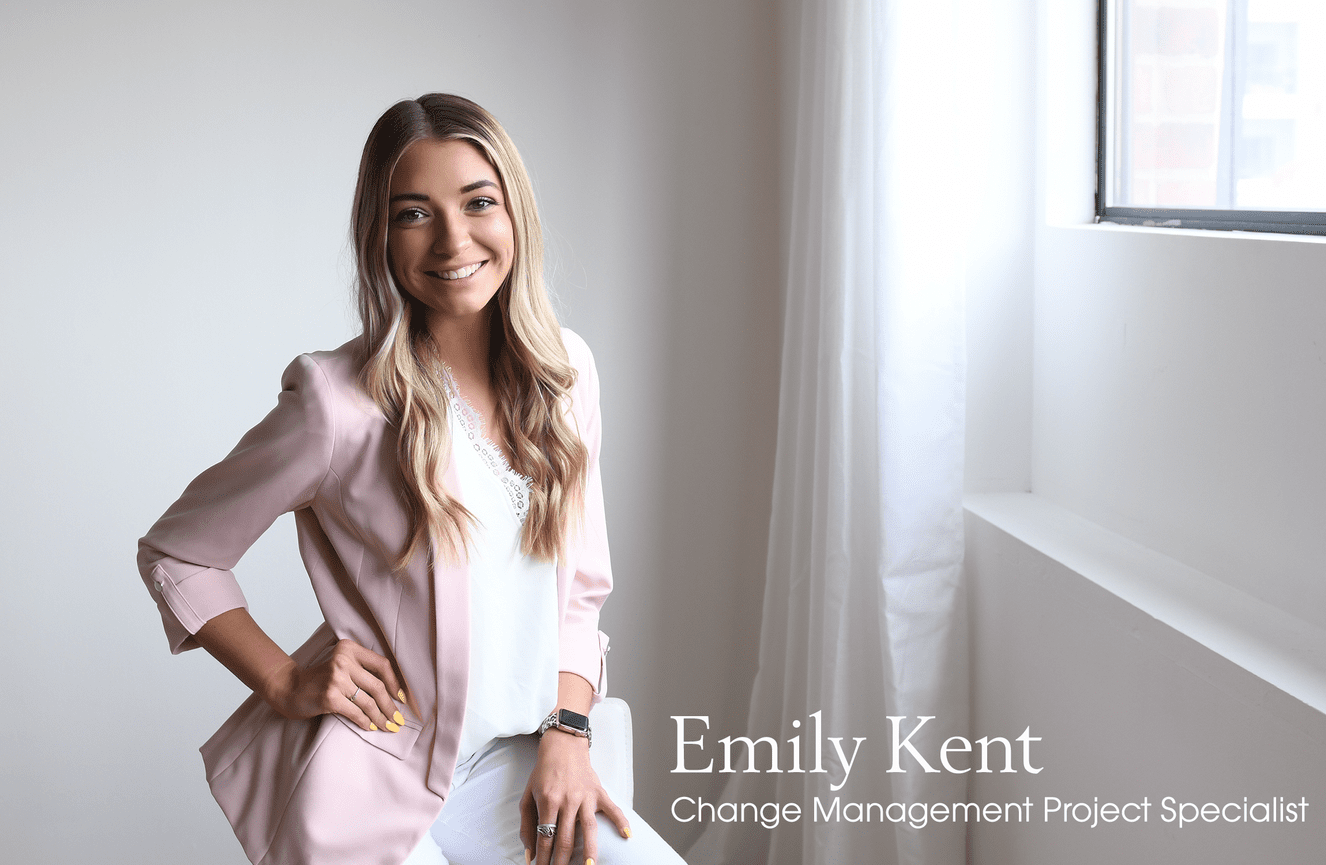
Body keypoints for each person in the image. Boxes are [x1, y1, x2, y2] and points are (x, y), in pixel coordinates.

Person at [137, 93, 685, 865]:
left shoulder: (567, 374)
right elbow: (178, 552)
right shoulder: (337, 402)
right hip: (375, 771)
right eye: (414, 214)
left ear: (515, 212)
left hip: (514, 763)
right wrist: (284, 679)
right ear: (381, 236)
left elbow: (580, 592)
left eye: (478, 202)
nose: (453, 239)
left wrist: (568, 732)